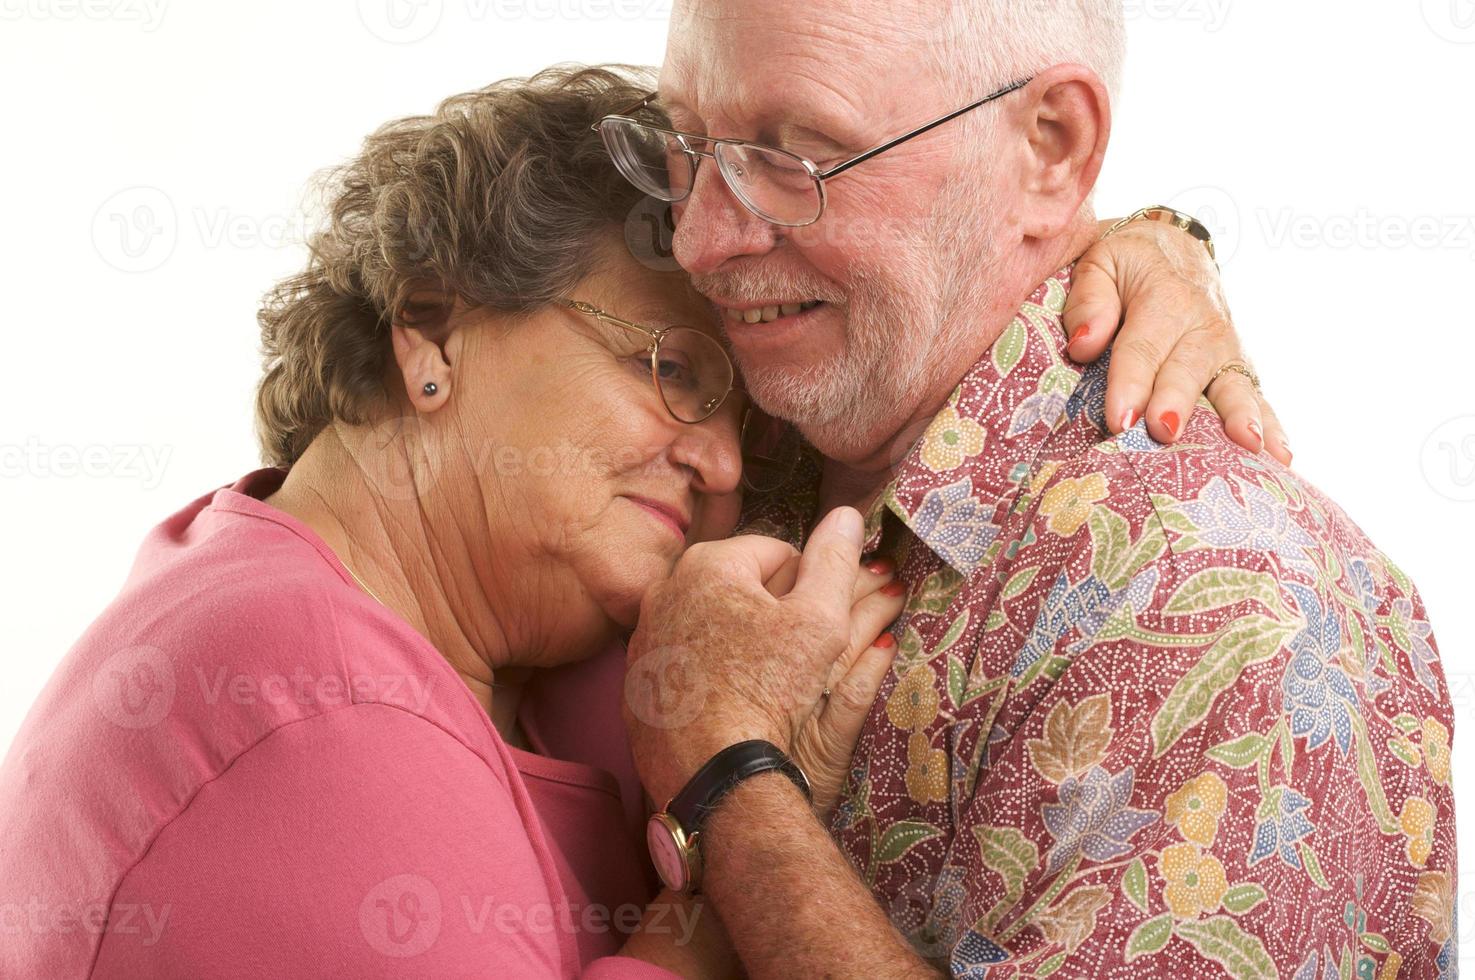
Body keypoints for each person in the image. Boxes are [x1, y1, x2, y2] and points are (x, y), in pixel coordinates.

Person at [0, 65, 1267, 978]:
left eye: (741, 422)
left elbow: (902, 240)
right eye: (669, 369)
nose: (719, 458)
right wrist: (737, 799)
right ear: (433, 329)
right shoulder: (302, 704)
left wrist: (1137, 244)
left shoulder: (517, 635)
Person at [613, 3, 1457, 978]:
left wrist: (725, 772)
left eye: (797, 155)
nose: (697, 241)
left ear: (1052, 148)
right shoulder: (723, 406)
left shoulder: (1238, 612)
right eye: (684, 143)